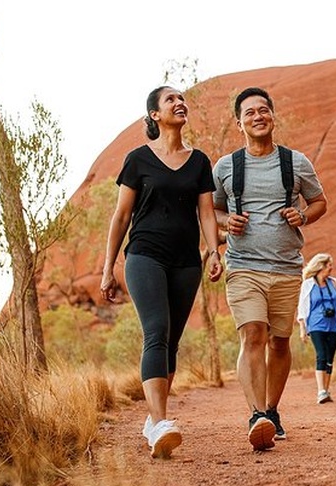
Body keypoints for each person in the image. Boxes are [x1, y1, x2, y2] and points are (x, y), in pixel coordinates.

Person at [100, 86, 223, 459]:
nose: (179, 102)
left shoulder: (199, 161)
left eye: (181, 98)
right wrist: (108, 268)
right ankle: (161, 421)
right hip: (144, 255)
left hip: (186, 261)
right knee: (155, 331)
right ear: (155, 114)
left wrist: (214, 251)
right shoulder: (138, 159)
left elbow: (205, 211)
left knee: (171, 341)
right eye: (171, 99)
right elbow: (121, 215)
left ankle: (155, 423)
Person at [213, 87, 328, 451]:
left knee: (280, 342)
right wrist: (224, 222)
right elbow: (212, 210)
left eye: (264, 110)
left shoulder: (296, 163)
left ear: (273, 117)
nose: (258, 116)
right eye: (250, 113)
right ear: (239, 123)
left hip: (287, 268)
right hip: (244, 266)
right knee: (253, 335)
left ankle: (272, 410)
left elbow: (320, 201)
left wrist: (304, 215)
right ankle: (256, 414)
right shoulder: (227, 166)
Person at [297, 253, 336, 404]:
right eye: (329, 264)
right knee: (321, 355)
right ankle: (321, 390)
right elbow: (302, 307)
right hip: (316, 324)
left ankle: (326, 391)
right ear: (321, 266)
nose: (331, 267)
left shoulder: (334, 283)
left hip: (334, 324)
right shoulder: (308, 284)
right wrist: (302, 328)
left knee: (329, 358)